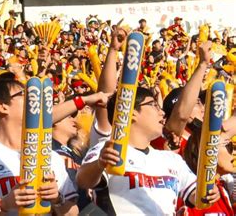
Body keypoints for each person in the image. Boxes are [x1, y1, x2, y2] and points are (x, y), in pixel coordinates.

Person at [76, 88, 220, 215]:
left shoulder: (172, 159)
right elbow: (83, 181)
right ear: (131, 112)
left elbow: (197, 196)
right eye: (154, 105)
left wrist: (210, 192)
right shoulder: (108, 148)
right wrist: (100, 164)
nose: (162, 113)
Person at [0, 76, 81, 215]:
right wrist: (4, 204)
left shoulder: (50, 156)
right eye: (24, 94)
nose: (34, 100)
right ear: (2, 106)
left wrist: (57, 199)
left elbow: (73, 212)